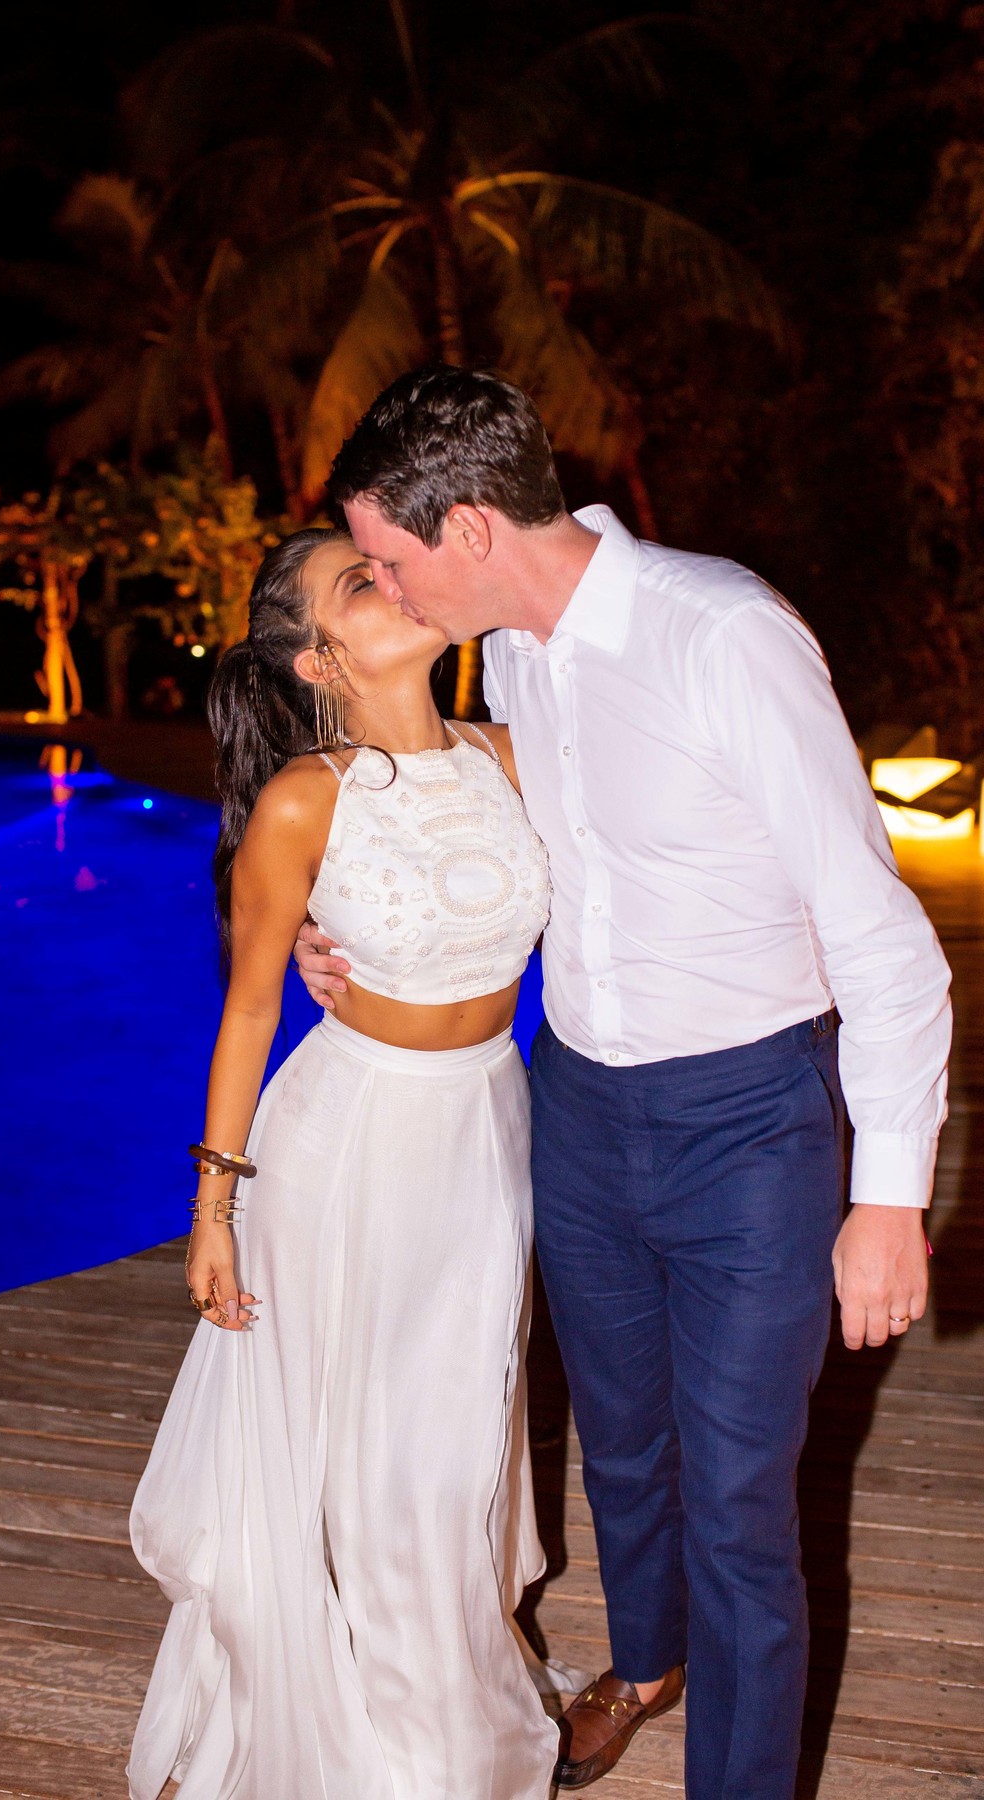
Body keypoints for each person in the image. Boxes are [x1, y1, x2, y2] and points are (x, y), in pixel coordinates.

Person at [294, 367, 952, 1798]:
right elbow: (488, 821)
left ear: (470, 529)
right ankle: (646, 1664)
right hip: (580, 1108)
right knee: (623, 1446)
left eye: (391, 560)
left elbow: (880, 931)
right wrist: (338, 923)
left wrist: (890, 1197)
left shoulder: (724, 635)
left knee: (739, 1505)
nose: (384, 588)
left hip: (750, 1126)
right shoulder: (514, 655)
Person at [126, 525, 568, 1800]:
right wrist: (214, 1208)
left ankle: (436, 1703)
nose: (400, 578)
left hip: (486, 1129)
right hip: (347, 1145)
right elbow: (250, 1010)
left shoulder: (509, 755)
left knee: (454, 1437)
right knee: (366, 1455)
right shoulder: (301, 800)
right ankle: (404, 1747)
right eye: (362, 582)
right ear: (319, 659)